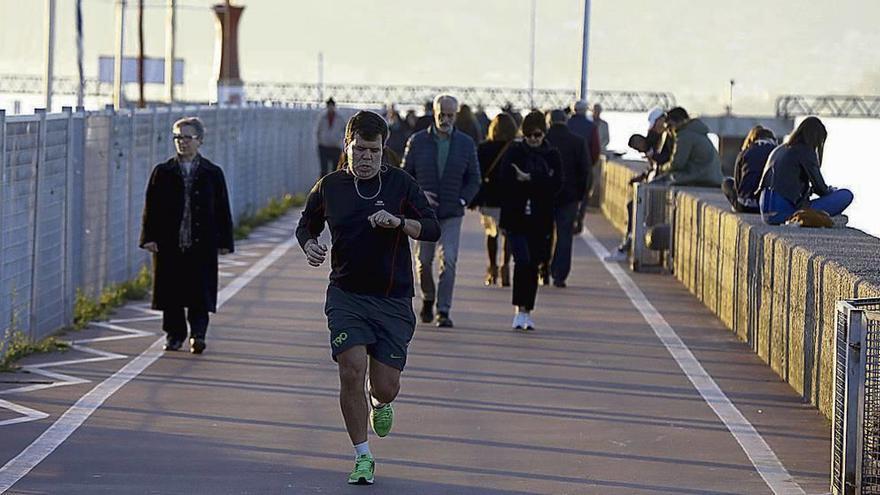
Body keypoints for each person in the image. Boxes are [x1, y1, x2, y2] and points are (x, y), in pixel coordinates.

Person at [296, 110, 441, 485]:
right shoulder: (330, 186)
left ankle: (381, 401)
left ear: (383, 149)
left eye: (373, 151)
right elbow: (305, 225)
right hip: (347, 295)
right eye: (358, 149)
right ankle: (363, 456)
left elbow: (432, 228)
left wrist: (400, 223)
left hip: (393, 299)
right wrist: (311, 245)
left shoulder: (401, 185)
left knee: (384, 385)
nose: (365, 158)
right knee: (351, 369)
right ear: (346, 146)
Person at [139, 117, 234, 354]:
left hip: (202, 241)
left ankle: (198, 334)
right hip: (170, 241)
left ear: (200, 140)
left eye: (187, 137)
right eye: (177, 137)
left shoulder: (212, 173)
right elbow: (151, 207)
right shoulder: (163, 172)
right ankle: (174, 334)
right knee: (171, 290)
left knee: (199, 291)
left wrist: (224, 241)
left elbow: (222, 208)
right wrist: (149, 237)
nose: (182, 142)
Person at [402, 94, 481, 328]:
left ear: (456, 115)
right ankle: (428, 297)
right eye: (441, 115)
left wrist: (463, 199)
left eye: (450, 115)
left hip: (452, 213)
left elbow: (474, 179)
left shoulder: (465, 144)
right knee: (423, 261)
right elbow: (404, 175)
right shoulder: (417, 141)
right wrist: (418, 195)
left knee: (450, 260)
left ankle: (443, 310)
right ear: (433, 113)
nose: (445, 119)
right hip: (424, 215)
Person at [498, 111, 562, 330]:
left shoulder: (552, 155)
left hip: (540, 219)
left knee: (534, 264)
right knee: (522, 261)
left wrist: (530, 179)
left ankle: (527, 311)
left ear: (544, 133)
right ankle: (519, 309)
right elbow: (503, 181)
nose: (534, 139)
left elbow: (557, 185)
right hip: (516, 218)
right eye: (529, 135)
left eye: (537, 135)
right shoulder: (514, 152)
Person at [758, 116, 853, 225]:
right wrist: (832, 191)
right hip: (782, 214)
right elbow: (821, 189)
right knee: (846, 195)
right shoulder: (805, 151)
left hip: (766, 214)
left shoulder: (780, 149)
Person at [543, 109, 588, 288]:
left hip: (544, 195)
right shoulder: (577, 142)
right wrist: (580, 196)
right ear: (566, 121)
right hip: (569, 197)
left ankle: (542, 269)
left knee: (543, 233)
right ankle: (559, 274)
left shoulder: (543, 140)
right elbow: (585, 172)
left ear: (549, 122)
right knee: (564, 236)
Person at [474, 113, 519, 287]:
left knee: (491, 234)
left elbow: (476, 174)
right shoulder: (515, 148)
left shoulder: (484, 148)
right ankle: (506, 267)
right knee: (508, 234)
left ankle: (492, 269)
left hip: (490, 198)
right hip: (511, 198)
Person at [659, 107, 724, 186]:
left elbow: (677, 164)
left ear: (680, 122)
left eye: (670, 126)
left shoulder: (684, 136)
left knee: (658, 182)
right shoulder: (697, 132)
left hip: (700, 179)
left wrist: (661, 168)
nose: (669, 131)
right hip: (713, 178)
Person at [722, 126, 777, 213]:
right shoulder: (776, 152)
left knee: (727, 182)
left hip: (746, 206)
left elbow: (737, 185)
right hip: (767, 206)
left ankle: (736, 206)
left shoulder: (744, 153)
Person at [568, 100, 601, 234]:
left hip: (568, 167)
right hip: (585, 167)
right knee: (584, 194)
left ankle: (568, 218)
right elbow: (596, 149)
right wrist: (590, 163)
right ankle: (579, 219)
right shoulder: (591, 127)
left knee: (569, 194)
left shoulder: (567, 124)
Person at [317, 97, 346, 178]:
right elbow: (317, 131)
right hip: (324, 147)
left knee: (335, 170)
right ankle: (322, 188)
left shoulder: (340, 118)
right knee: (324, 170)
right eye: (329, 106)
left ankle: (334, 188)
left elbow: (344, 131)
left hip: (336, 147)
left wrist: (342, 144)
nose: (330, 108)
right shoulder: (322, 117)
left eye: (331, 106)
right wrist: (320, 143)